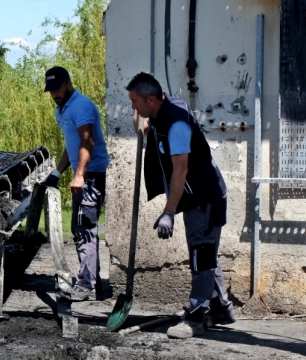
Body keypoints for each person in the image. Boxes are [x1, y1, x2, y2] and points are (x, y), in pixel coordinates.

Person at [125, 72, 234, 338]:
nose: (133, 108)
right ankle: (221, 308)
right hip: (199, 194)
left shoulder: (176, 126)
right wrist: (142, 123)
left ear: (151, 99)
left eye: (135, 102)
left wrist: (168, 212)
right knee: (206, 252)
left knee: (202, 254)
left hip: (204, 198)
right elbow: (149, 120)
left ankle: (195, 318)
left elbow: (180, 171)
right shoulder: (164, 109)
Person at [42, 66, 110, 302]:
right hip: (84, 172)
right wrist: (58, 172)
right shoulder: (62, 109)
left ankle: (85, 284)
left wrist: (80, 173)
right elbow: (72, 144)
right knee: (83, 226)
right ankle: (97, 284)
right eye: (50, 91)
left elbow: (86, 141)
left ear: (68, 83)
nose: (54, 94)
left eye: (57, 89)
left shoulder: (80, 106)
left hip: (91, 175)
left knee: (84, 228)